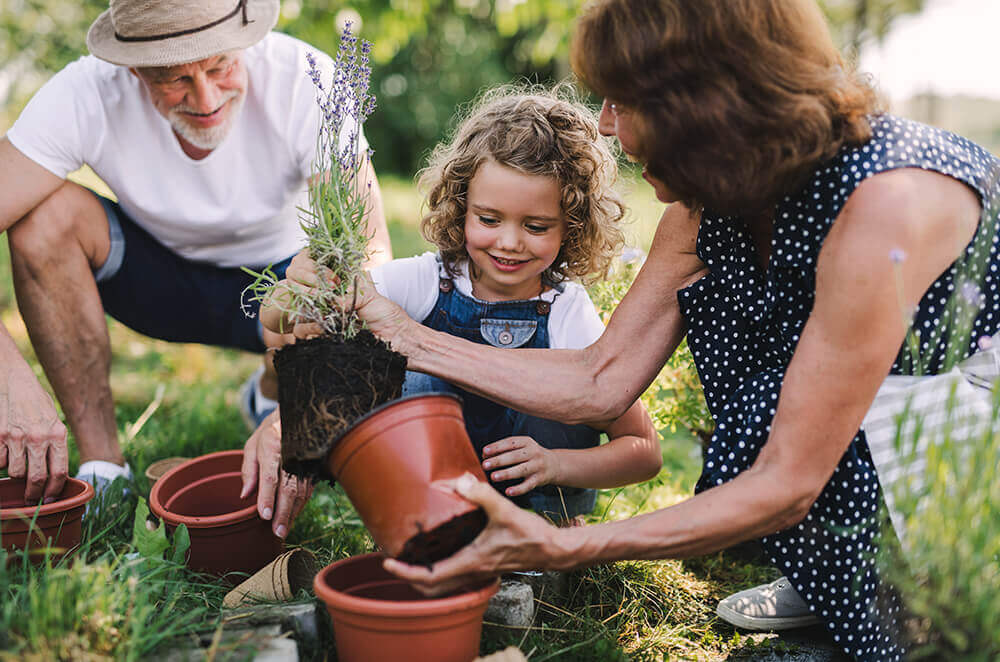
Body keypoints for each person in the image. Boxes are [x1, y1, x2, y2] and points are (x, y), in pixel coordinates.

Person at [276, 1, 1000, 660]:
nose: (604, 127)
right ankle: (832, 583)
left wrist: (565, 545)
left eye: (622, 102)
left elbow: (787, 481)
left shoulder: (884, 209)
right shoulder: (710, 201)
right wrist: (389, 341)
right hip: (861, 418)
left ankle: (908, 590)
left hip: (965, 444)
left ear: (705, 105)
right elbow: (601, 379)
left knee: (936, 641)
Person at [0, 0, 391, 540]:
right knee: (41, 220)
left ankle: (273, 390)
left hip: (279, 290)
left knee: (334, 282)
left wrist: (302, 410)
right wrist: (9, 379)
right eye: (174, 79)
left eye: (220, 66)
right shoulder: (84, 91)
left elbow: (369, 258)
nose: (206, 100)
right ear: (133, 69)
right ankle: (104, 468)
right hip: (156, 282)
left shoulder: (307, 80)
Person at [262, 90, 662, 522]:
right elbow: (277, 318)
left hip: (534, 513)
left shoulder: (567, 311)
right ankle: (421, 527)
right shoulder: (426, 281)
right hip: (433, 507)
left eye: (536, 226)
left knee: (567, 389)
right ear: (461, 207)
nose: (509, 242)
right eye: (489, 219)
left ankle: (555, 530)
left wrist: (557, 464)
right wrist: (299, 286)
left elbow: (643, 451)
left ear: (572, 226)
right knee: (413, 378)